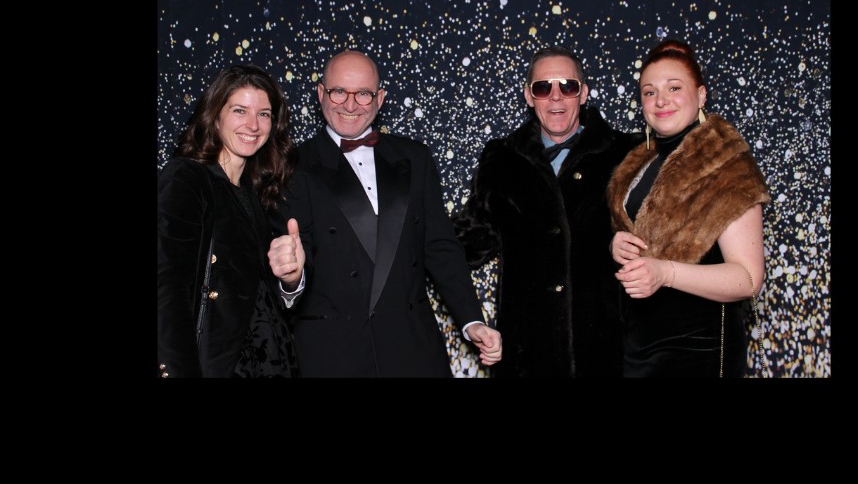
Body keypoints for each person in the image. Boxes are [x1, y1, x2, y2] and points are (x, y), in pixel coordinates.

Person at [277, 49, 501, 376]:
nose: (350, 105)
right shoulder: (291, 166)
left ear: (380, 99)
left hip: (413, 349)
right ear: (321, 93)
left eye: (363, 94)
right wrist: (291, 278)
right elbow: (297, 259)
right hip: (333, 354)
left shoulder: (415, 158)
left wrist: (472, 321)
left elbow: (440, 247)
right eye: (339, 92)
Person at [455, 46, 641, 377]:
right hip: (526, 357)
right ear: (529, 96)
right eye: (543, 87)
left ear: (583, 93)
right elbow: (467, 242)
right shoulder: (502, 160)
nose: (556, 96)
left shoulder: (627, 154)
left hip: (607, 353)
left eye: (568, 86)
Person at [607, 38, 767, 377]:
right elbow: (647, 239)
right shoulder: (640, 164)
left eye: (674, 87)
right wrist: (618, 244)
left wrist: (666, 273)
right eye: (649, 92)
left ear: (701, 95)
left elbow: (749, 278)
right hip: (640, 350)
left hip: (700, 354)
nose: (660, 100)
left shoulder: (727, 165)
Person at [157, 64, 301, 377]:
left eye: (264, 114)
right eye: (240, 110)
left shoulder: (255, 194)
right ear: (215, 116)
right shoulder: (187, 178)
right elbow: (167, 290)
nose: (253, 125)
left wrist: (290, 280)